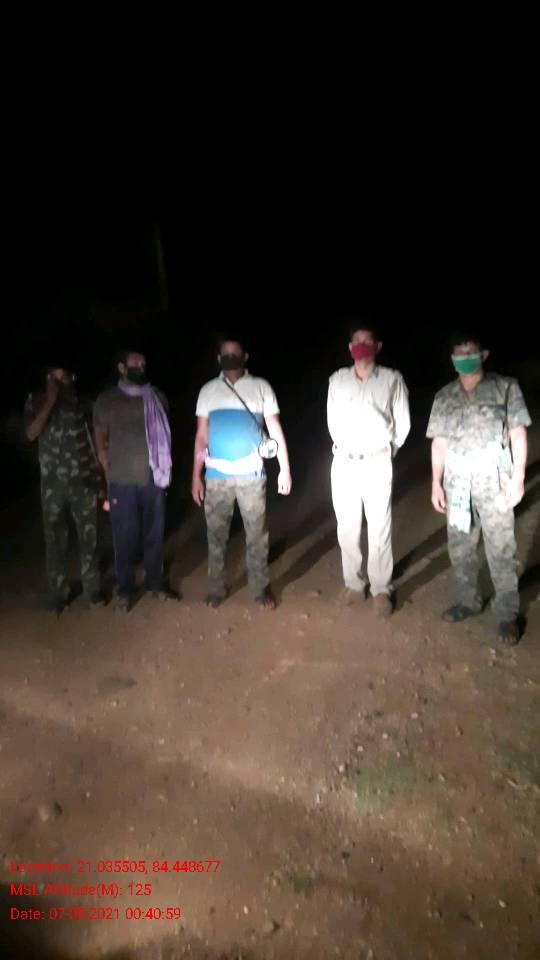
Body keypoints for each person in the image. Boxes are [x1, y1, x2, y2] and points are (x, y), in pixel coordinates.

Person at [426, 332, 531, 645]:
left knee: (501, 549)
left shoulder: (505, 387)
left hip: (495, 482)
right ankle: (467, 601)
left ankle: (507, 614)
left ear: (483, 355)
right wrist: (436, 483)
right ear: (452, 360)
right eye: (459, 354)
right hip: (458, 486)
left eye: (470, 352)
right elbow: (439, 444)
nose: (465, 358)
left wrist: (518, 477)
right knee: (461, 549)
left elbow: (518, 435)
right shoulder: (444, 396)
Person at [192, 337, 292, 609]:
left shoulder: (261, 387)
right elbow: (201, 436)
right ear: (218, 359)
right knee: (216, 536)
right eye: (225, 353)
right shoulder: (208, 391)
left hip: (252, 474)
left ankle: (260, 589)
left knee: (257, 536)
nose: (230, 356)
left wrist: (284, 468)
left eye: (235, 353)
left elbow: (275, 429)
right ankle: (216, 588)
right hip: (216, 476)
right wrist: (196, 475)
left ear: (245, 357)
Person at [327, 322, 411, 618]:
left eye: (368, 340)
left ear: (378, 347)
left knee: (379, 528)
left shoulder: (391, 379)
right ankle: (354, 583)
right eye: (357, 340)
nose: (362, 345)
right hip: (345, 462)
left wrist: (387, 450)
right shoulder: (337, 380)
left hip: (377, 461)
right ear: (350, 348)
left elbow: (402, 422)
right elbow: (332, 422)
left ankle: (381, 588)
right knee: (347, 527)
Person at [94, 350, 175, 612]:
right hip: (122, 480)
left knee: (154, 535)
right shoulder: (107, 400)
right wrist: (108, 478)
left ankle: (155, 584)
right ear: (121, 367)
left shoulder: (157, 396)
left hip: (154, 477)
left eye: (143, 363)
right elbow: (101, 442)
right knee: (124, 538)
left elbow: (164, 435)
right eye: (134, 363)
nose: (140, 367)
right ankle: (124, 590)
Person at [25, 365, 105, 613]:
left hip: (84, 484)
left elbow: (96, 442)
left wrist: (100, 480)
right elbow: (31, 433)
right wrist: (50, 401)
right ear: (47, 378)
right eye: (55, 377)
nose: (60, 382)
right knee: (55, 541)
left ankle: (93, 589)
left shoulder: (82, 404)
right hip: (53, 488)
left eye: (64, 377)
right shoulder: (36, 401)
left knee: (89, 539)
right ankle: (58, 593)